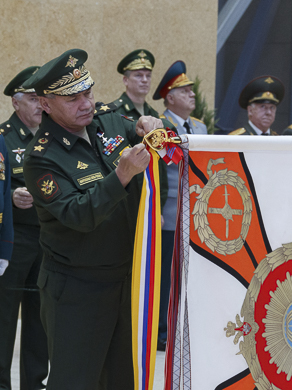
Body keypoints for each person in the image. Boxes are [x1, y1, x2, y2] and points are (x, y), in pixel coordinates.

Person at [21, 48, 164, 389]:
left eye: (88, 93)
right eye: (73, 98)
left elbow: (155, 137)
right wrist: (122, 175)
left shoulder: (108, 121)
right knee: (76, 381)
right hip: (77, 289)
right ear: (45, 104)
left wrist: (154, 125)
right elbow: (78, 214)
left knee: (121, 379)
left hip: (126, 280)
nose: (85, 103)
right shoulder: (40, 158)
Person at [152, 59, 207, 351]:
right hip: (171, 210)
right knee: (167, 275)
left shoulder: (199, 125)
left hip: (196, 211)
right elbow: (164, 166)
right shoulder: (162, 126)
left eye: (191, 90)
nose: (192, 95)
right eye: (185, 91)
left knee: (190, 273)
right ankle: (162, 329)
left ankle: (185, 325)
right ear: (170, 97)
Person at [0, 66, 49, 390]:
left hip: (46, 236)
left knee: (40, 315)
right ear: (16, 103)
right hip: (15, 237)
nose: (38, 105)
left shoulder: (50, 136)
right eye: (32, 99)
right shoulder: (4, 137)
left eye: (40, 98)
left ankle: (34, 381)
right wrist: (12, 194)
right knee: (5, 314)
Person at [113, 49, 158, 120]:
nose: (145, 80)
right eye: (138, 75)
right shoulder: (115, 112)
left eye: (148, 76)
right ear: (125, 80)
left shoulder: (153, 114)